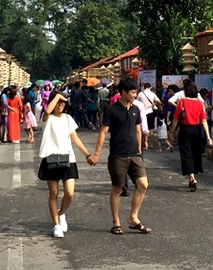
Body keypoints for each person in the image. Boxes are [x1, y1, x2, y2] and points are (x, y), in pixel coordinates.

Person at [88, 78, 152, 235]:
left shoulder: (136, 109)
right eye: (132, 92)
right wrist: (96, 153)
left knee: (143, 185)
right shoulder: (112, 110)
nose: (135, 95)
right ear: (123, 92)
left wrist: (139, 149)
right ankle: (115, 222)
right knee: (117, 188)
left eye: (136, 92)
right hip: (118, 156)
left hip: (134, 155)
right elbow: (103, 132)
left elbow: (137, 130)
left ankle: (133, 217)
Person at [37, 91, 92, 238]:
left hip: (68, 159)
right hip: (51, 158)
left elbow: (76, 139)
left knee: (70, 193)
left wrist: (87, 154)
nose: (60, 105)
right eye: (58, 102)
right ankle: (56, 225)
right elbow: (47, 111)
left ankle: (61, 213)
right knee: (53, 193)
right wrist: (57, 96)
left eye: (63, 102)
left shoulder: (68, 118)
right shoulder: (47, 118)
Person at [171, 81, 210, 191]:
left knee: (186, 153)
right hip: (197, 129)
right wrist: (208, 136)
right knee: (195, 153)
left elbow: (176, 118)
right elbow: (203, 120)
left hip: (185, 129)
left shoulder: (182, 101)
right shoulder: (199, 103)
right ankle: (192, 176)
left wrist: (172, 131)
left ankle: (191, 177)